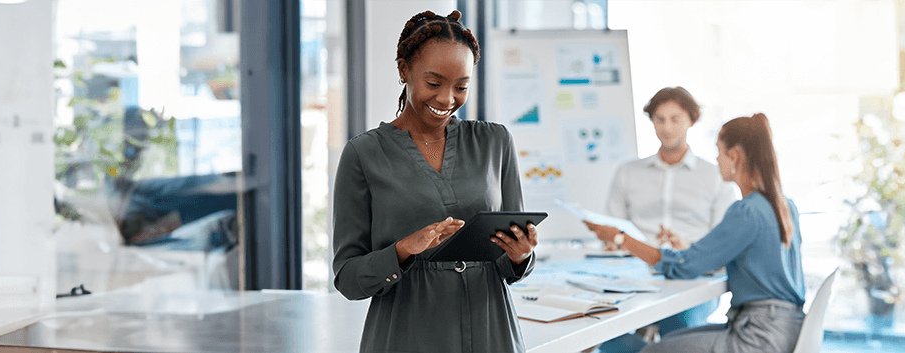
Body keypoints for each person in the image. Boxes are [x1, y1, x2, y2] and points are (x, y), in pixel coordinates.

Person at [331, 10, 538, 353]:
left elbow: (509, 259)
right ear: (404, 70)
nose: (447, 99)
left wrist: (520, 257)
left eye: (461, 87)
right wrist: (403, 250)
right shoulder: (363, 154)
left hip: (491, 332)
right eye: (433, 83)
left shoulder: (495, 142)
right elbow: (348, 279)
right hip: (406, 333)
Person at [585, 113, 806, 353]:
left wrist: (621, 238)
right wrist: (690, 250)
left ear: (734, 156)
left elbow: (683, 266)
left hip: (757, 337)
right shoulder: (784, 205)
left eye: (719, 151)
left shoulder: (746, 211)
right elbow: (744, 257)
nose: (716, 159)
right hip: (784, 329)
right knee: (672, 339)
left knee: (651, 350)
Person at [596, 87, 737, 352]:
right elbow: (614, 227)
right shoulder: (628, 173)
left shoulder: (716, 177)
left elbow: (722, 242)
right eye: (659, 119)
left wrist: (688, 246)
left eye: (675, 119)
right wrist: (613, 241)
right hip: (635, 274)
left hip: (692, 277)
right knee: (598, 331)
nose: (667, 127)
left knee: (678, 334)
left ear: (691, 121)